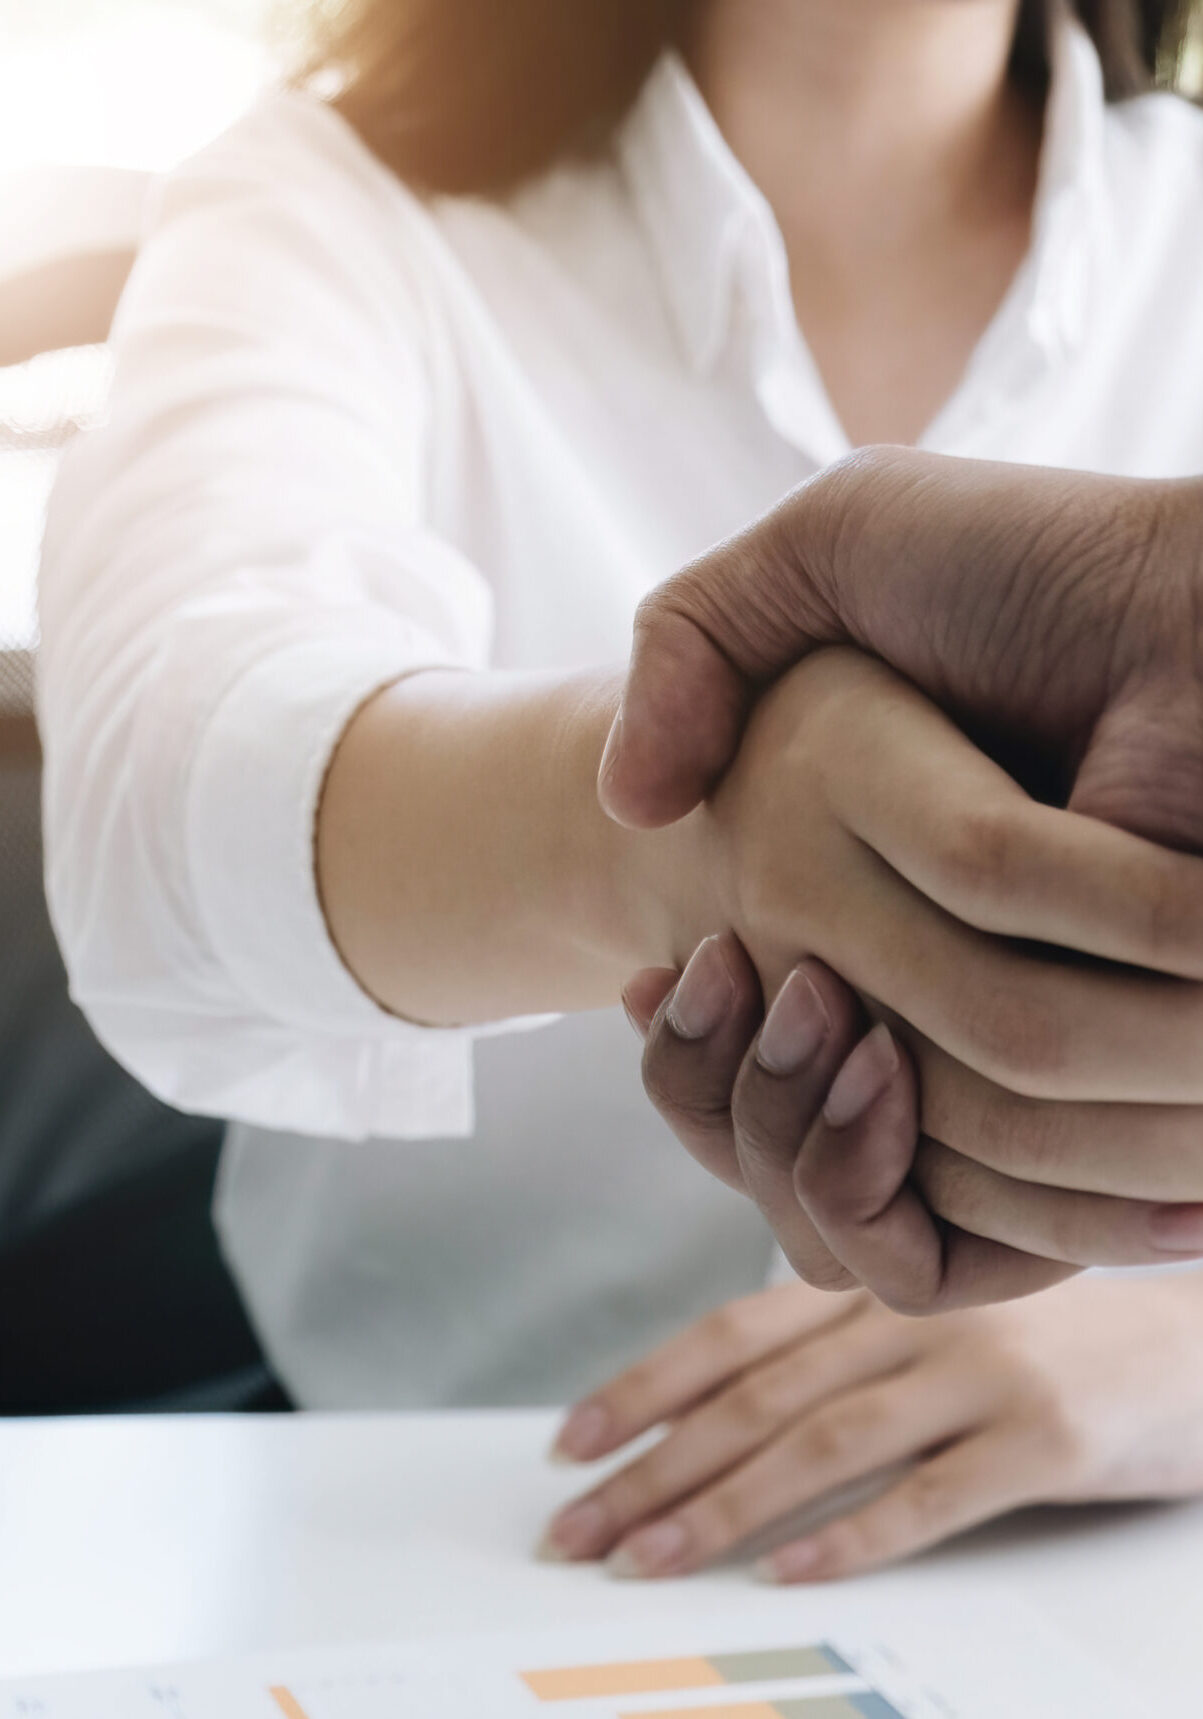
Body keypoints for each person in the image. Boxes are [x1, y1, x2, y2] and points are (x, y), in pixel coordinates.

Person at [35, 0, 1203, 1424]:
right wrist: (692, 835)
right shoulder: (330, 202)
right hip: (465, 1492)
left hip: (1122, 1539)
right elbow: (169, 785)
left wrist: (1185, 1353)